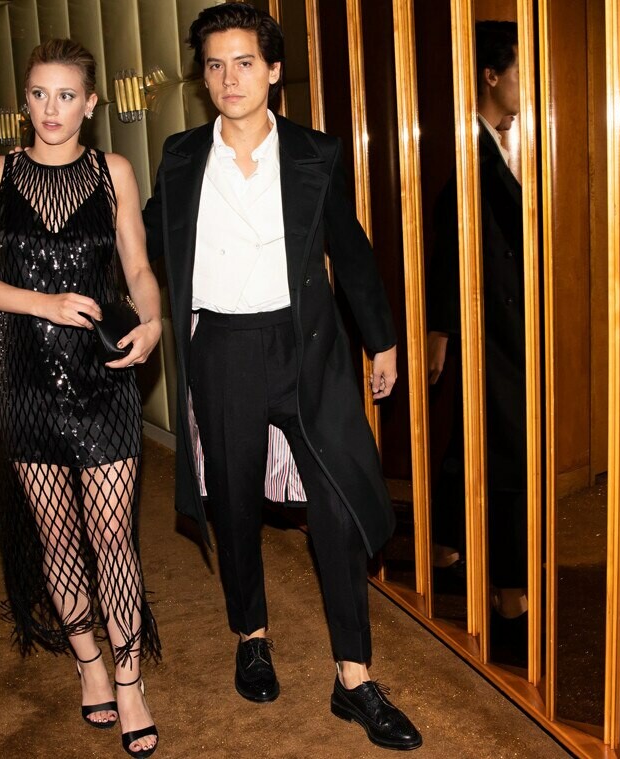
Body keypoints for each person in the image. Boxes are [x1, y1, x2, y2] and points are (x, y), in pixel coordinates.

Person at [143, 4, 422, 752]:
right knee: (233, 504)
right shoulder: (180, 157)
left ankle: (354, 677)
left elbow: (350, 247)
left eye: (244, 62)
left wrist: (382, 340)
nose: (229, 78)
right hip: (222, 348)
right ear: (203, 78)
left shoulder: (314, 152)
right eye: (215, 65)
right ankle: (252, 635)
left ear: (272, 70)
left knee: (338, 505)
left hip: (308, 347)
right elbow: (141, 240)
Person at [0, 39, 162, 758]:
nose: (51, 109)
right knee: (58, 535)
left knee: (112, 533)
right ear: (25, 101)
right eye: (39, 94)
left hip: (102, 376)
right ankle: (88, 661)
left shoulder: (113, 171)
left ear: (91, 104)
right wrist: (43, 302)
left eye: (66, 95)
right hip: (26, 378)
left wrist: (154, 319)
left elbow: (137, 266)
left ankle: (130, 679)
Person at [427, 21, 527, 657]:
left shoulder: (505, 143)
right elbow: (448, 240)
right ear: (491, 75)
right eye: (520, 73)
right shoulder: (465, 146)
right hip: (485, 327)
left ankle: (445, 547)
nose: (528, 88)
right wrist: (440, 326)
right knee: (506, 449)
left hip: (500, 324)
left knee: (477, 441)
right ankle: (508, 592)